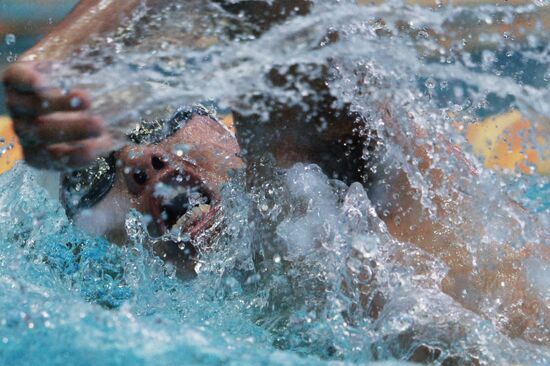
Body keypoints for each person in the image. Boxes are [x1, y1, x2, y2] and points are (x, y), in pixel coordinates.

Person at [3, 0, 549, 348]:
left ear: (222, 129)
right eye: (100, 177)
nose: (145, 161)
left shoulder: (320, 193)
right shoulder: (231, 297)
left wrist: (60, 62)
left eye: (158, 126)